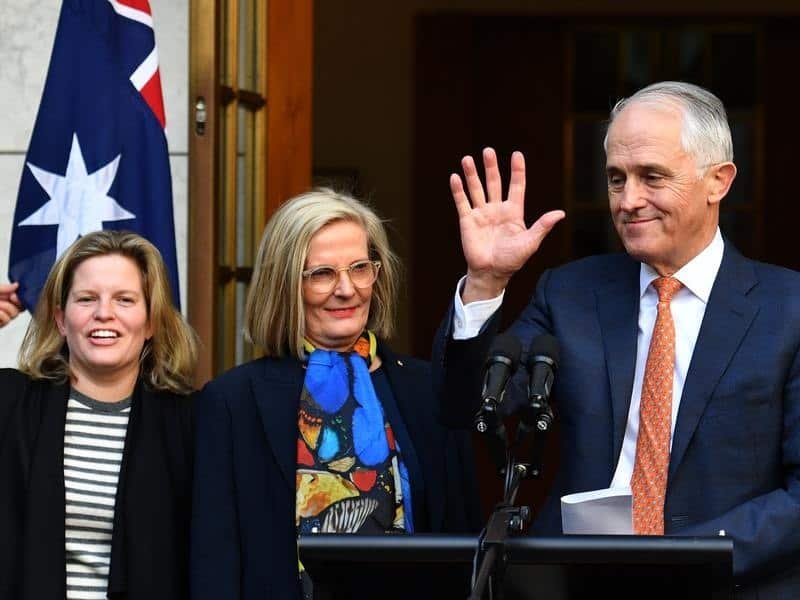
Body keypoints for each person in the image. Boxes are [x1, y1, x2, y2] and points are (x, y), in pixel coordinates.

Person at [435, 81, 800, 596]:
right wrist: (487, 282)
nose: (629, 201)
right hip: (582, 584)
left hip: (728, 584)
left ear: (718, 180)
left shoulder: (788, 310)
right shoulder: (572, 294)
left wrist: (680, 562)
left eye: (652, 176)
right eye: (615, 178)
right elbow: (466, 407)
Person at [191, 188, 480, 600]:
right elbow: (214, 560)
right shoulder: (232, 401)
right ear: (285, 285)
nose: (347, 289)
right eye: (322, 274)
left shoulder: (427, 389)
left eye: (360, 268)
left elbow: (465, 542)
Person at [0, 230, 198, 599]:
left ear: (151, 321)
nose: (103, 313)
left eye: (124, 300)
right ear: (61, 319)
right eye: (86, 298)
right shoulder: (10, 403)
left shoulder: (191, 422)